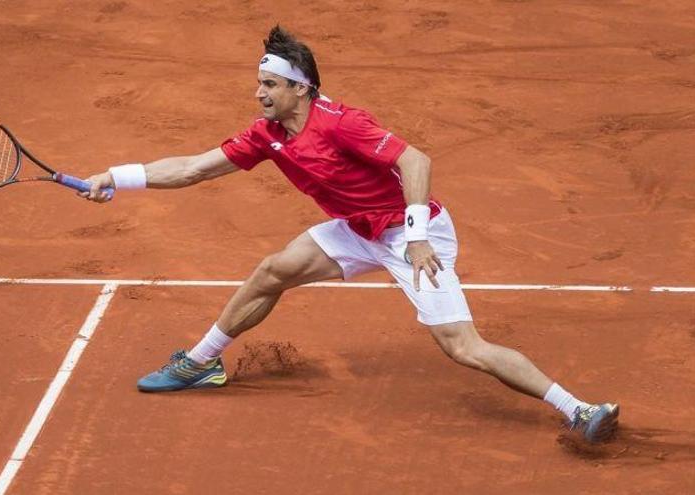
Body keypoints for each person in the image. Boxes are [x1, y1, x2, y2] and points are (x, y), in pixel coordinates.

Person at [81, 26, 619, 443]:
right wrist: (118, 177)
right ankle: (201, 363)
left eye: (269, 84)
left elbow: (415, 160)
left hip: (415, 235)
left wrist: (416, 235)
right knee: (273, 271)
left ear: (300, 87)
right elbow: (195, 168)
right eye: (259, 83)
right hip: (357, 230)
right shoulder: (267, 136)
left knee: (462, 347)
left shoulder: (342, 123)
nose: (259, 93)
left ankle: (579, 410)